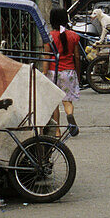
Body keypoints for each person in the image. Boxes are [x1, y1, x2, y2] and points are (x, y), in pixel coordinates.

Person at [44, 7, 81, 137]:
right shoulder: (73, 36)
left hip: (53, 72)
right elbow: (76, 57)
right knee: (67, 101)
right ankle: (70, 116)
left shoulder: (49, 37)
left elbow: (47, 57)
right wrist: (78, 71)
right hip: (68, 72)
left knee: (54, 103)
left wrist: (43, 74)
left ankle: (57, 130)